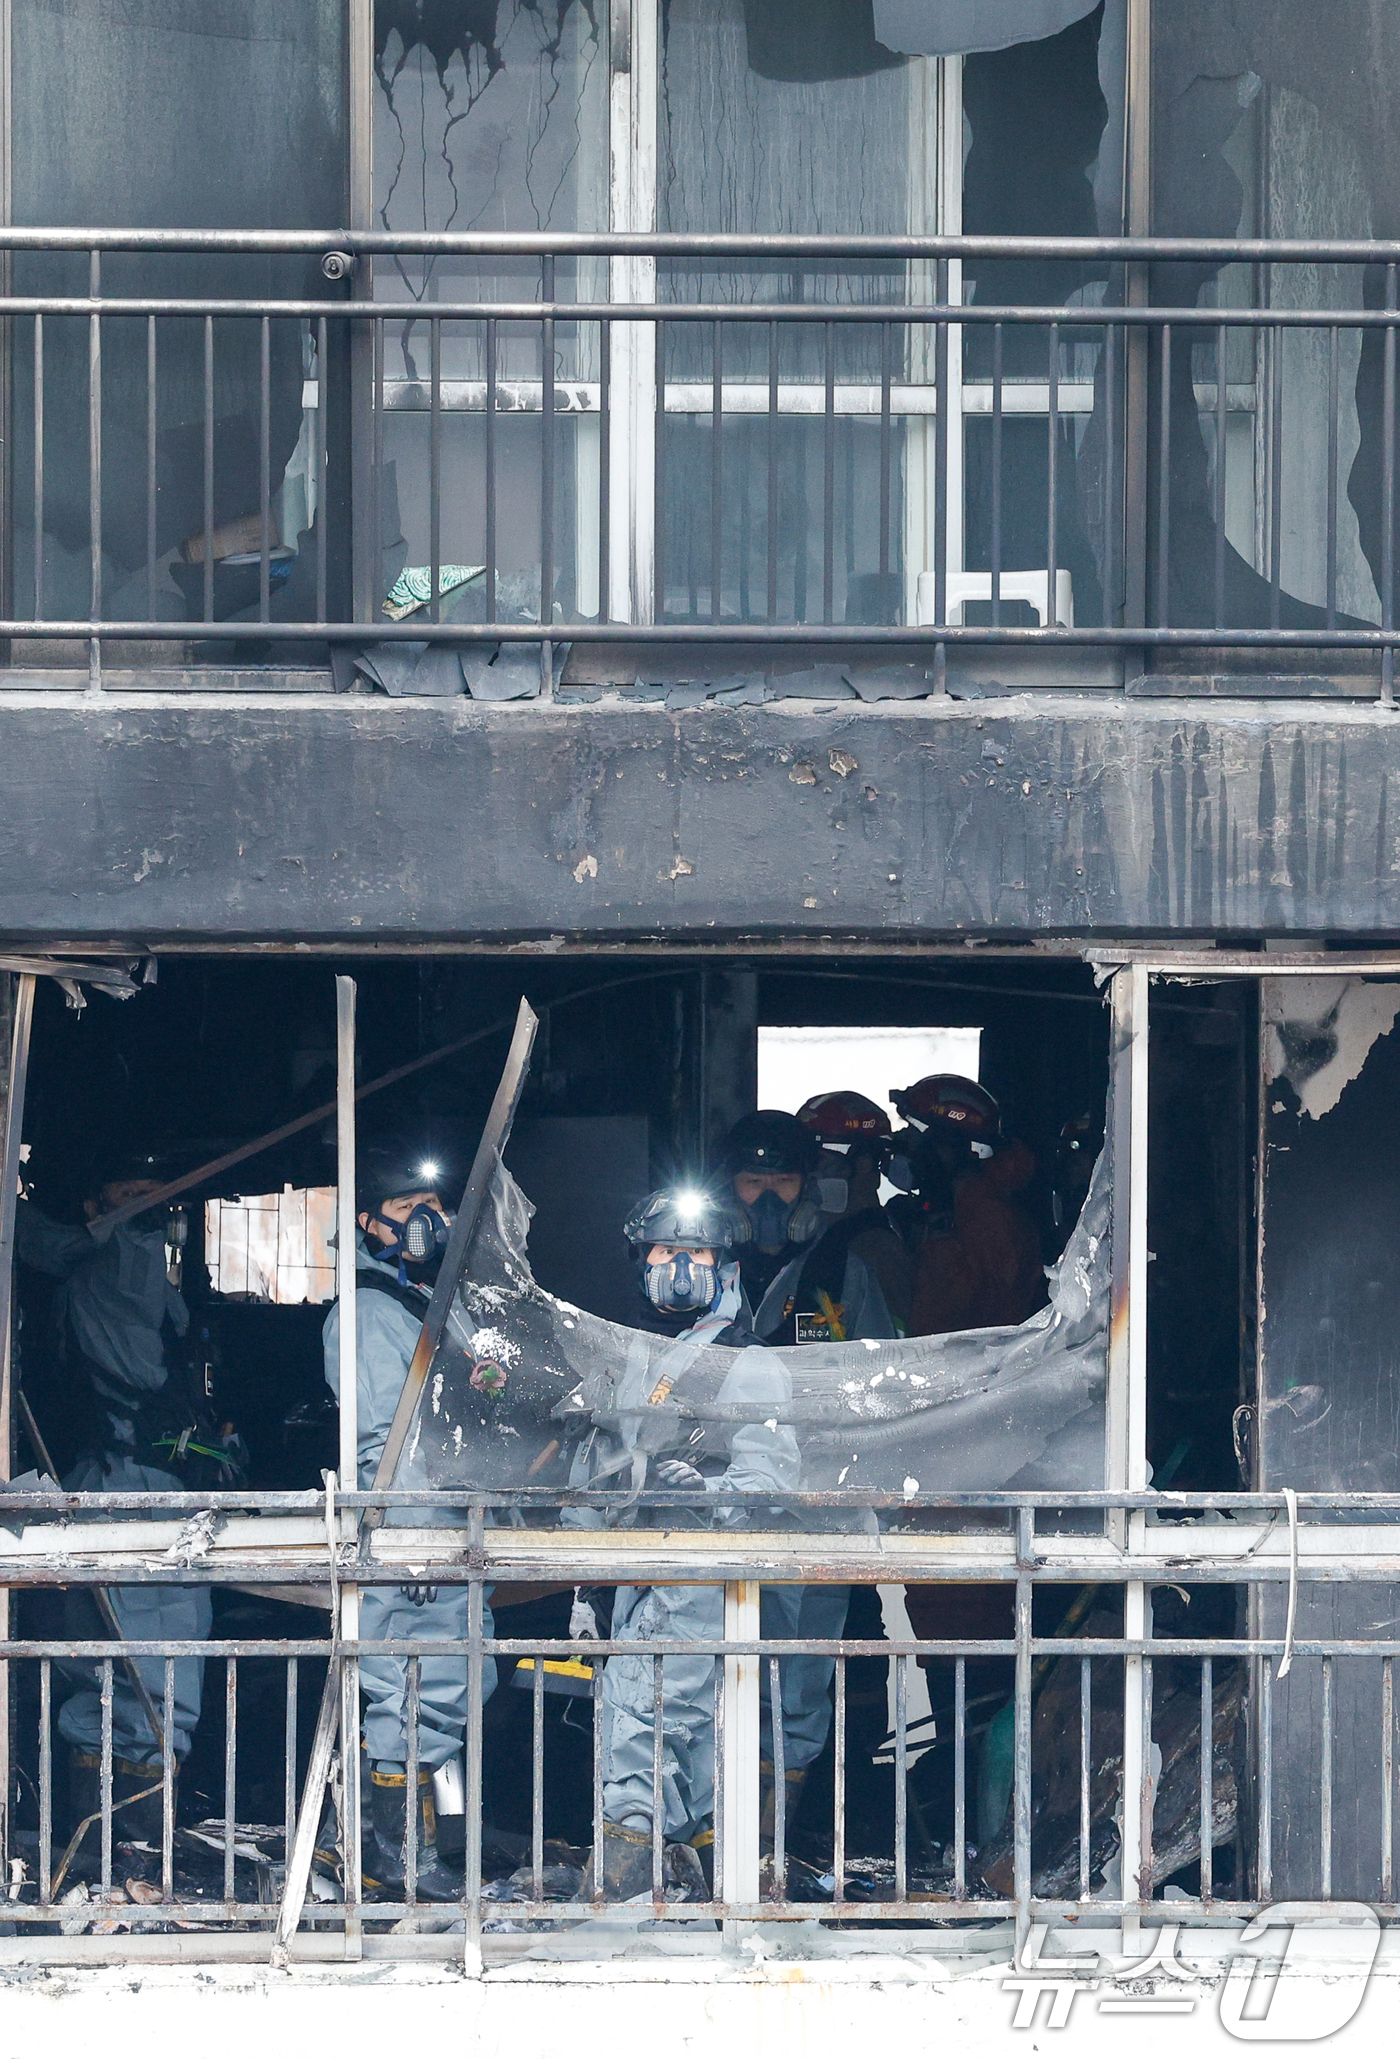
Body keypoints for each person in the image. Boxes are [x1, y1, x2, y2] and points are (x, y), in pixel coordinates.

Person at [572, 1185, 799, 1899]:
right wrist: (578, 1567)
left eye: (697, 1253)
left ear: (725, 1265)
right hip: (634, 1571)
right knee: (689, 1740)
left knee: (647, 1722)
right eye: (666, 1250)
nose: (679, 1266)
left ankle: (624, 1893)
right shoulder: (630, 1356)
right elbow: (597, 1464)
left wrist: (708, 1492)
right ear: (641, 1260)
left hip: (698, 1576)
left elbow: (771, 1475)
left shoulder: (744, 1361)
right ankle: (695, 1894)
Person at [15, 1150, 224, 1842]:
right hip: (128, 1487)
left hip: (143, 1484)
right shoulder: (115, 1264)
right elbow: (55, 1246)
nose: (148, 1207)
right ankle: (126, 1846)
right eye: (130, 1192)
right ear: (94, 1206)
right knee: (150, 1667)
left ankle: (113, 1843)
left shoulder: (139, 1266)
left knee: (123, 1663)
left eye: (157, 1194)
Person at [322, 1137, 496, 1902]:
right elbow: (378, 1445)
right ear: (368, 1220)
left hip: (452, 1532)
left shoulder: (428, 1304)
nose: (426, 1218)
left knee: (450, 1689)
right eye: (404, 1205)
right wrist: (412, 1538)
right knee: (410, 1694)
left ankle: (432, 1851)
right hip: (413, 1542)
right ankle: (393, 1860)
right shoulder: (368, 1312)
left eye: (434, 1204)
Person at [719, 1111, 896, 1858]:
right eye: (752, 1180)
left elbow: (887, 1381)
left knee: (804, 1673)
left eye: (782, 1180)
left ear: (806, 1187)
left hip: (817, 1508)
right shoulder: (696, 1264)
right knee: (710, 1665)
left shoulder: (841, 1274)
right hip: (721, 1508)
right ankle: (710, 1835)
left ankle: (773, 1842)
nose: (767, 1198)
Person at [887, 1076, 1046, 1338]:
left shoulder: (987, 1219)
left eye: (912, 1132)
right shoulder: (957, 1209)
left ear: (947, 1147)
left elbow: (949, 1326)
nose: (902, 1141)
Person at [795, 1090, 916, 1333]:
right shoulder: (827, 1233)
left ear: (863, 1164)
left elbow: (898, 1342)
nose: (808, 1175)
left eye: (818, 1161)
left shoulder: (875, 1249)